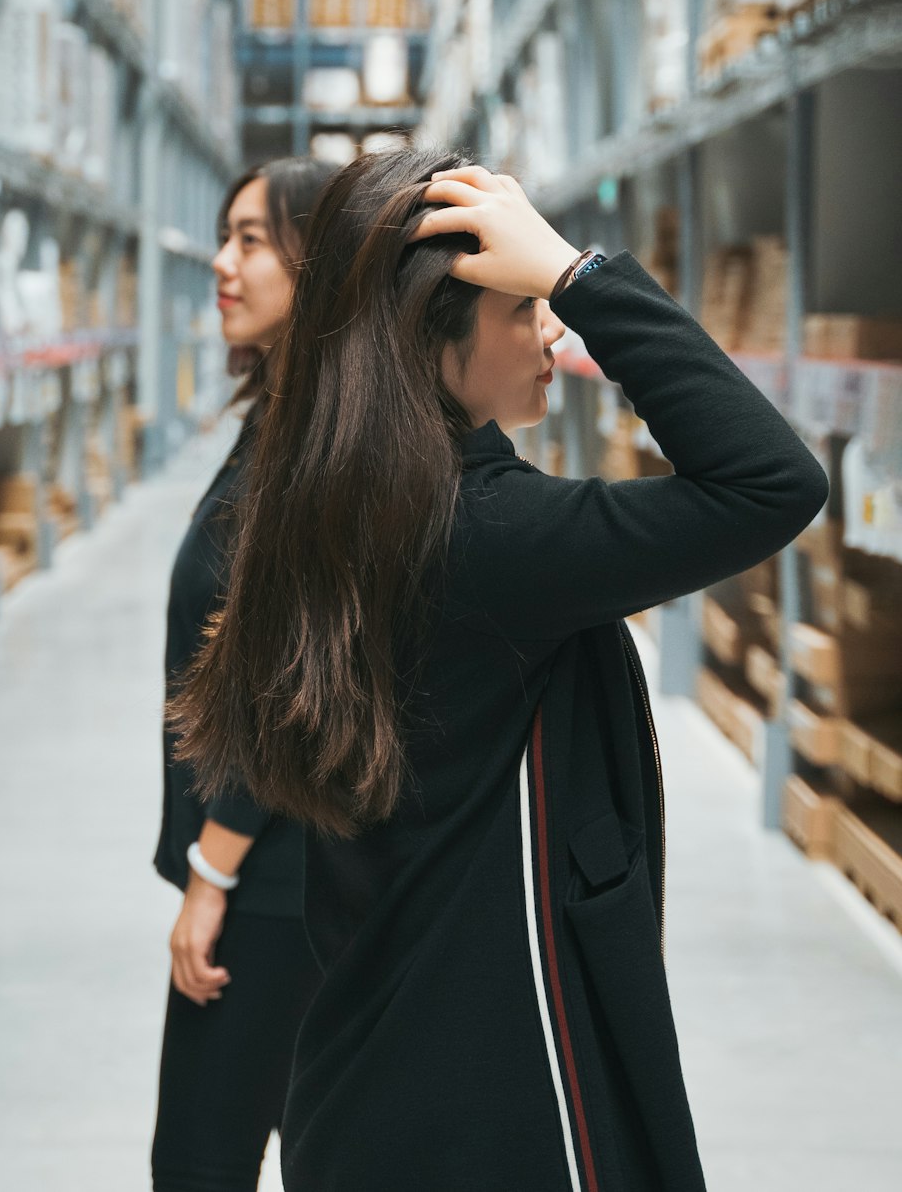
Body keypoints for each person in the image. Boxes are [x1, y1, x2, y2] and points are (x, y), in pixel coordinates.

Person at [171, 148, 829, 1192]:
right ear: (435, 330)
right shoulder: (487, 540)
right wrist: (581, 273)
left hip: (371, 1068)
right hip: (503, 1088)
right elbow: (771, 480)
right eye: (520, 308)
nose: (549, 331)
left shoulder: (327, 504)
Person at [151, 157, 334, 1192]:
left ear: (316, 264)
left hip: (270, 879)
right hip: (273, 872)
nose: (223, 263)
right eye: (225, 237)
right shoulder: (275, 423)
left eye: (252, 241)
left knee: (200, 1163)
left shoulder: (306, 446)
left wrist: (212, 875)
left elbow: (287, 677)